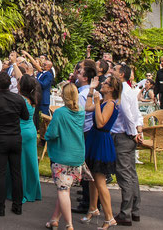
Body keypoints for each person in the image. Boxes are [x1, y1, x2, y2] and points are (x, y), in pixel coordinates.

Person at [0, 71, 29, 217]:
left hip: (1, 138)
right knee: (16, 173)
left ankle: (0, 206)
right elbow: (25, 116)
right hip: (15, 137)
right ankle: (17, 205)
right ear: (10, 84)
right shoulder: (18, 99)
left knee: (1, 174)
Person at [45, 82, 86, 230]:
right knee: (64, 189)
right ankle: (55, 219)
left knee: (63, 190)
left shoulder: (61, 113)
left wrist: (46, 135)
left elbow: (52, 133)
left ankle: (69, 225)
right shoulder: (81, 112)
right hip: (77, 155)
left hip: (62, 155)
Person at [83, 75, 120, 229]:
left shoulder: (110, 104)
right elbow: (87, 107)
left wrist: (98, 103)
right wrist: (91, 89)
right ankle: (93, 208)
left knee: (100, 181)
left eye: (105, 83)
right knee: (92, 177)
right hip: (94, 139)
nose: (102, 84)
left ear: (111, 89)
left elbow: (100, 122)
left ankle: (109, 217)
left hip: (101, 142)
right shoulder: (104, 102)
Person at [111, 65, 143, 227]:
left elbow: (127, 113)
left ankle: (125, 213)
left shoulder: (122, 91)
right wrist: (139, 130)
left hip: (123, 135)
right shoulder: (130, 90)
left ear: (121, 74)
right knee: (131, 173)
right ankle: (135, 210)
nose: (112, 71)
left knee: (124, 175)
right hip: (129, 135)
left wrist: (132, 132)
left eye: (115, 70)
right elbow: (137, 114)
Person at [7, 74, 42, 204]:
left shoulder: (18, 99)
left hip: (20, 131)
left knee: (19, 163)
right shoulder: (33, 98)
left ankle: (19, 191)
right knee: (30, 161)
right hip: (31, 131)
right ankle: (32, 189)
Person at [73, 59, 97, 215]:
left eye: (80, 73)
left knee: (86, 169)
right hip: (90, 131)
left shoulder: (82, 95)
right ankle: (91, 201)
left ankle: (87, 202)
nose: (77, 74)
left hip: (85, 132)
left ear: (85, 78)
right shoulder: (94, 92)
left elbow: (78, 116)